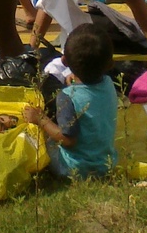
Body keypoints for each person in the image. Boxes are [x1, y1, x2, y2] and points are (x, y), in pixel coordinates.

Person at [21, 24, 118, 179]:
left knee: (40, 138)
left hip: (74, 168)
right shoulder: (109, 84)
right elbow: (88, 95)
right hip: (106, 164)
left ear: (64, 61)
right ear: (110, 64)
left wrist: (40, 118)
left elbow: (68, 139)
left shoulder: (67, 97)